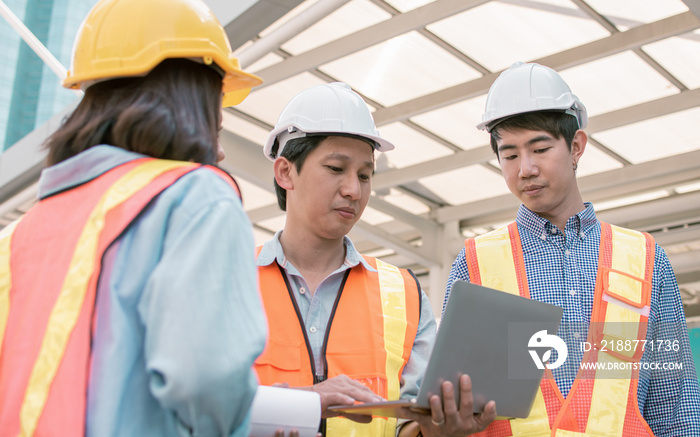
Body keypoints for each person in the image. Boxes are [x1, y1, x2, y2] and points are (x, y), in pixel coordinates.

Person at [0, 0, 271, 435]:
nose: (218, 151)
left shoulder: (19, 235)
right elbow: (206, 379)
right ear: (188, 101)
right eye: (215, 126)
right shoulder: (197, 199)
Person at [444, 61, 700, 436]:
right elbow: (456, 401)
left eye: (540, 148)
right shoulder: (476, 263)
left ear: (576, 146)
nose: (525, 169)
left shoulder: (644, 259)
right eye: (510, 155)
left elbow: (675, 407)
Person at [254, 82, 497, 437]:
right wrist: (303, 403)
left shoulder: (404, 294)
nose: (354, 190)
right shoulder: (227, 281)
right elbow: (191, 407)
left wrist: (438, 430)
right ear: (285, 172)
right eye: (336, 168)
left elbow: (411, 423)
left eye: (365, 175)